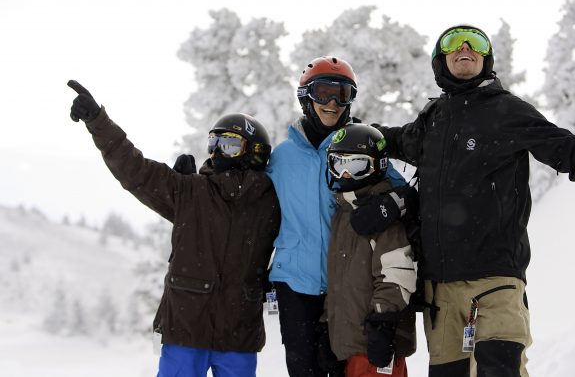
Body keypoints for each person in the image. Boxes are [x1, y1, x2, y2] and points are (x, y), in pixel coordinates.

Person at [355, 25, 575, 377]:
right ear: (441, 60)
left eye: (477, 42)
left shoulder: (508, 112)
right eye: (453, 43)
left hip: (495, 281)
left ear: (487, 58)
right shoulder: (431, 123)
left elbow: (571, 151)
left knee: (501, 370)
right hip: (440, 291)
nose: (465, 47)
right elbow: (385, 140)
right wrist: (346, 127)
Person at [67, 80, 281, 377]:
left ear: (255, 152)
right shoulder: (189, 191)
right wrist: (98, 121)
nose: (218, 152)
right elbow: (135, 171)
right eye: (214, 142)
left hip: (238, 332)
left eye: (230, 145)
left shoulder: (271, 202)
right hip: (186, 326)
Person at [265, 57, 414, 376]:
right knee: (305, 368)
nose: (332, 103)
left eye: (342, 94)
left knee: (351, 367)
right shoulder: (282, 157)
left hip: (347, 282)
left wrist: (391, 203)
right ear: (306, 97)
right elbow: (250, 199)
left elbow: (403, 192)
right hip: (296, 283)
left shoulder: (359, 145)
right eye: (323, 92)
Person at [323, 123, 418, 377]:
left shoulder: (382, 216)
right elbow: (340, 282)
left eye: (356, 166)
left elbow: (397, 273)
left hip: (375, 347)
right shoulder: (343, 215)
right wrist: (328, 325)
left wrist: (382, 323)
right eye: (338, 164)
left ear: (378, 165)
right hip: (350, 349)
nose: (345, 175)